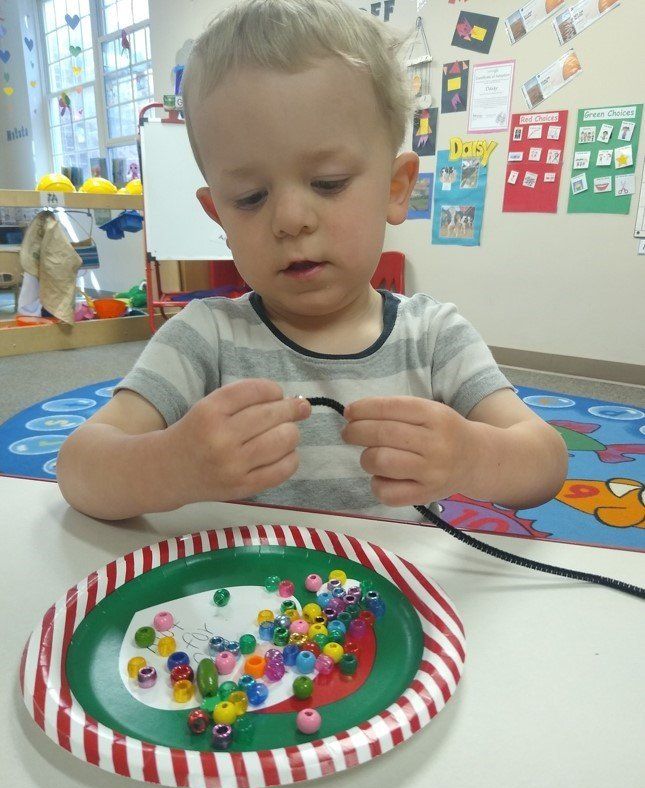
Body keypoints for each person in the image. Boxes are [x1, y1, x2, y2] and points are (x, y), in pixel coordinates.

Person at [57, 0, 568, 522]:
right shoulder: (204, 338)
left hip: (390, 595)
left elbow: (545, 462)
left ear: (395, 190)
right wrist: (171, 465)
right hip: (248, 595)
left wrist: (474, 456)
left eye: (328, 184)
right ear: (218, 215)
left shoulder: (434, 337)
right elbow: (78, 468)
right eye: (250, 197)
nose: (290, 219)